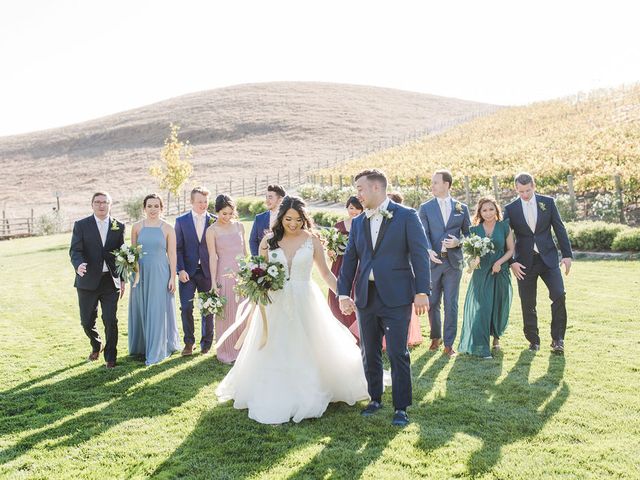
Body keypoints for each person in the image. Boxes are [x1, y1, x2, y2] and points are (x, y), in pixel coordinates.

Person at [216, 196, 370, 424]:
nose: (293, 224)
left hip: (305, 300)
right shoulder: (269, 242)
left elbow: (326, 274)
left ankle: (312, 387)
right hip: (275, 303)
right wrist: (257, 285)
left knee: (308, 344)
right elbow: (259, 271)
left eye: (298, 219)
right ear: (281, 218)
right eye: (288, 219)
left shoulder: (312, 241)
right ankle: (274, 390)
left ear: (304, 219)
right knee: (275, 346)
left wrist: (343, 295)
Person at [339, 169, 431, 427]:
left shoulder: (406, 216)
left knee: (397, 351)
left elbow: (420, 254)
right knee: (369, 350)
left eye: (360, 189)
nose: (358, 194)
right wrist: (344, 293)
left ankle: (401, 407)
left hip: (397, 295)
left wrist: (422, 291)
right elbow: (350, 261)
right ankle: (375, 398)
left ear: (376, 188)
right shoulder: (358, 222)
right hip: (366, 297)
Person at [503, 172, 573, 353]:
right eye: (521, 192)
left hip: (548, 259)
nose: (525, 195)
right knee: (528, 303)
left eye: (527, 190)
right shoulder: (511, 209)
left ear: (533, 186)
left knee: (559, 295)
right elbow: (505, 237)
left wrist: (567, 255)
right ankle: (533, 340)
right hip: (524, 263)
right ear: (516, 189)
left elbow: (559, 227)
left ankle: (558, 339)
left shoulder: (547, 203)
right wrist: (511, 262)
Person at [69, 192, 125, 368]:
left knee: (110, 319)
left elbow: (122, 255)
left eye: (105, 202)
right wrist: (78, 265)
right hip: (87, 281)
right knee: (86, 321)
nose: (101, 205)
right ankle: (96, 344)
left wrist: (122, 279)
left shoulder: (119, 226)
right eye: (98, 202)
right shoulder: (81, 225)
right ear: (92, 204)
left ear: (110, 204)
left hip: (110, 281)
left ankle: (111, 357)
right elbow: (75, 251)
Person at [418, 169, 471, 357]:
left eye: (435, 182)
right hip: (432, 263)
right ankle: (435, 337)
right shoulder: (425, 208)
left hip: (453, 264)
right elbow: (421, 234)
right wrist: (428, 251)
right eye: (432, 183)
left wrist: (459, 243)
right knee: (433, 302)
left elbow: (469, 236)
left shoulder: (461, 208)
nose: (432, 186)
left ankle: (449, 344)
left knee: (451, 303)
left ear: (446, 184)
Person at [127, 194, 181, 365]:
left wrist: (172, 277)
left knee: (157, 310)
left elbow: (172, 254)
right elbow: (133, 253)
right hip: (140, 273)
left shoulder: (167, 228)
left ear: (161, 208)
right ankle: (142, 346)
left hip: (160, 272)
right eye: (149, 206)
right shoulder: (136, 227)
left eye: (156, 206)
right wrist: (133, 273)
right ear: (144, 208)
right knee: (142, 307)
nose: (152, 209)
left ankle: (156, 350)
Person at [458, 197, 514, 358]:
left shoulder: (504, 226)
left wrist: (500, 262)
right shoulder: (474, 230)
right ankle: (482, 346)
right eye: (484, 210)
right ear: (479, 213)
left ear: (496, 210)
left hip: (500, 271)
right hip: (481, 273)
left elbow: (510, 250)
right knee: (483, 307)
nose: (488, 213)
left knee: (499, 305)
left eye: (491, 209)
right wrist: (473, 261)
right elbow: (469, 254)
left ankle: (496, 338)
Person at [206, 194, 247, 364]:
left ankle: (244, 349)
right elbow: (212, 257)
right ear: (217, 212)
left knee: (243, 312)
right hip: (223, 274)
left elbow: (245, 253)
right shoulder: (212, 230)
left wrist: (248, 273)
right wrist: (214, 282)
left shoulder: (240, 226)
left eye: (230, 213)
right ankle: (226, 350)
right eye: (224, 213)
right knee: (226, 313)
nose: (227, 217)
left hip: (242, 275)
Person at [175, 186, 215, 356]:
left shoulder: (214, 220)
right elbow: (177, 248)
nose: (203, 205)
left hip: (208, 271)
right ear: (191, 202)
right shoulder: (181, 221)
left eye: (205, 201)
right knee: (186, 307)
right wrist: (180, 269)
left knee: (208, 308)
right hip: (188, 273)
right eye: (199, 201)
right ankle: (188, 343)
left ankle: (206, 343)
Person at [327, 196, 363, 333]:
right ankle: (340, 327)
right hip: (339, 264)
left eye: (357, 208)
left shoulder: (362, 224)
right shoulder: (338, 226)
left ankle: (356, 329)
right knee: (337, 292)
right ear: (347, 208)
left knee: (355, 294)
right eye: (351, 208)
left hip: (357, 265)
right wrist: (331, 251)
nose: (354, 211)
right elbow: (330, 248)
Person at [248, 184, 286, 256]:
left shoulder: (287, 218)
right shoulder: (259, 218)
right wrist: (258, 260)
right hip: (264, 261)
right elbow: (253, 241)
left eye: (270, 197)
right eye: (266, 197)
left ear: (280, 199)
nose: (267, 201)